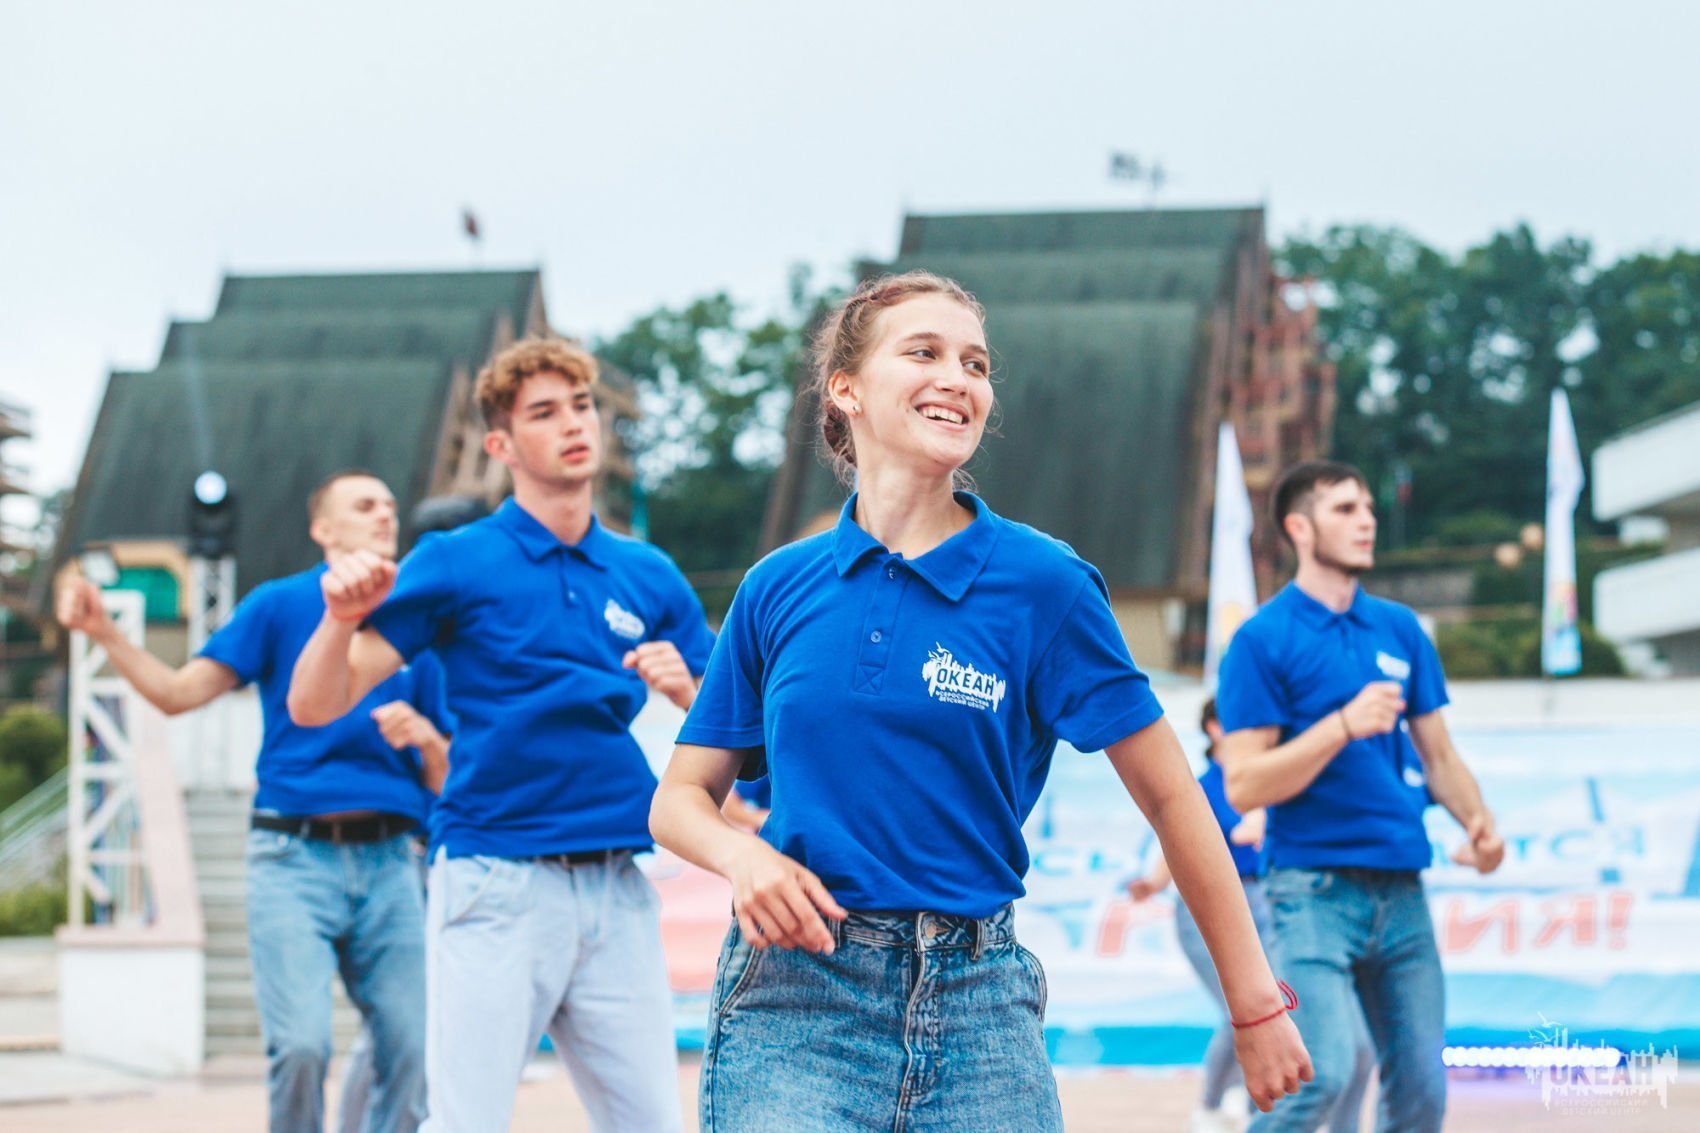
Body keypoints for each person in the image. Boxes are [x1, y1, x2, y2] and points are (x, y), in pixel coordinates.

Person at [649, 272, 1313, 1132]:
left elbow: (1173, 795)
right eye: (923, 352)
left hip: (977, 1004)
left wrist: (1254, 1002)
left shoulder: (1046, 585)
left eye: (975, 363)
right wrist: (744, 858)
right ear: (846, 388)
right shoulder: (776, 586)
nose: (957, 379)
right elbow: (679, 799)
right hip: (793, 1003)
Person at [288, 337, 715, 1133]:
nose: (574, 423)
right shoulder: (457, 560)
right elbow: (314, 704)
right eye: (544, 412)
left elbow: (741, 742)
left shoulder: (648, 573)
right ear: (501, 444)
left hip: (617, 882)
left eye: (582, 405)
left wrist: (689, 692)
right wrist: (339, 618)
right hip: (496, 878)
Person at [57, 471, 449, 1133]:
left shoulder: (415, 618)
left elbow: (448, 772)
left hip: (391, 861)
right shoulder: (278, 604)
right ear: (323, 528)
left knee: (415, 1047)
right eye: (364, 505)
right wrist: (106, 633)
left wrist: (429, 739)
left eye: (389, 504)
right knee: (301, 1046)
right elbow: (178, 694)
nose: (384, 514)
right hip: (293, 856)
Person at [1217, 460, 1506, 1133]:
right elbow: (1244, 783)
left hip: (1403, 889)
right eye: (1346, 509)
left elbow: (1439, 756)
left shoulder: (1401, 629)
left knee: (1424, 1088)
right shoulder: (1261, 639)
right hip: (1312, 889)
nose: (1367, 520)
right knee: (1321, 1072)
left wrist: (1479, 823)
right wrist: (1341, 725)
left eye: (1369, 508)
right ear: (1300, 528)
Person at [1127, 699, 1374, 1133]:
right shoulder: (1202, 786)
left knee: (1272, 1009)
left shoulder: (1267, 779)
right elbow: (1179, 843)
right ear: (1214, 728)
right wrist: (1153, 882)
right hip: (1206, 912)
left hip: (1263, 904)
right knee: (1242, 1008)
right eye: (1237, 718)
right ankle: (1209, 1107)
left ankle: (1250, 1103)